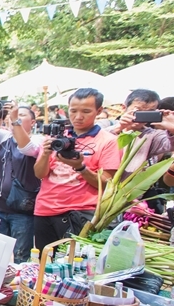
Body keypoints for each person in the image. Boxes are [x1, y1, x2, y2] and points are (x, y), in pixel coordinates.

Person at [29, 88, 121, 251]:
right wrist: (46, 154)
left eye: (86, 111)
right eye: (73, 111)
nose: (78, 117)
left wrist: (80, 167)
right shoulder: (56, 137)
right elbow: (39, 174)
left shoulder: (108, 141)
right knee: (44, 260)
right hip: (45, 209)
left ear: (99, 111)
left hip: (82, 213)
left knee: (76, 262)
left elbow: (107, 184)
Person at [0, 106, 40, 263]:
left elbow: (27, 148)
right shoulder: (5, 137)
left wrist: (15, 121)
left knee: (21, 257)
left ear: (33, 122)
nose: (15, 117)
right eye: (13, 116)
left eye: (21, 115)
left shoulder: (38, 141)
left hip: (22, 211)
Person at [110, 89, 172, 176]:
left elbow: (170, 144)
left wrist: (172, 129)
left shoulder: (153, 135)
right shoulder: (106, 124)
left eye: (149, 112)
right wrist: (119, 128)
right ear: (124, 108)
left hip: (133, 184)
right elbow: (95, 141)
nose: (142, 117)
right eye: (138, 111)